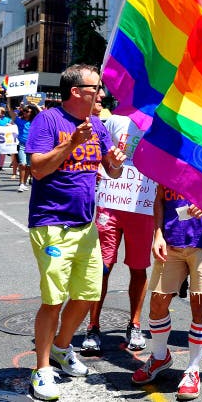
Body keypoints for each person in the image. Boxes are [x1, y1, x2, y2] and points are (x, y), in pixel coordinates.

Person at [26, 65, 126, 400]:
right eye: (96, 88)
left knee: (87, 295)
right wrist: (70, 145)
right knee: (53, 300)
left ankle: (61, 348)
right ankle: (41, 370)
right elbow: (38, 170)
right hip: (51, 225)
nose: (102, 94)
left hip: (86, 226)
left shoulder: (98, 125)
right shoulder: (48, 121)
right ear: (76, 91)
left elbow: (111, 172)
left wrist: (114, 161)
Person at [132, 185, 202, 399]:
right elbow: (160, 198)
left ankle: (193, 369)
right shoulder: (169, 158)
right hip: (172, 240)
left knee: (199, 303)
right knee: (157, 302)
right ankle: (159, 356)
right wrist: (158, 234)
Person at [81, 113, 157, 354]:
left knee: (138, 267)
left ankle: (134, 324)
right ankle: (93, 326)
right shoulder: (115, 120)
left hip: (141, 203)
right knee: (102, 266)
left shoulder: (159, 120)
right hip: (111, 202)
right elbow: (102, 153)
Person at [9, 102, 40, 192]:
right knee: (23, 164)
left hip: (32, 146)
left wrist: (36, 105)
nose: (26, 113)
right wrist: (9, 100)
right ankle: (21, 183)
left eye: (28, 111)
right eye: (25, 111)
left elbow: (43, 114)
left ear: (31, 113)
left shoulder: (35, 121)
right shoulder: (19, 120)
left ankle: (24, 183)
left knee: (29, 166)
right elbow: (11, 112)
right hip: (22, 145)